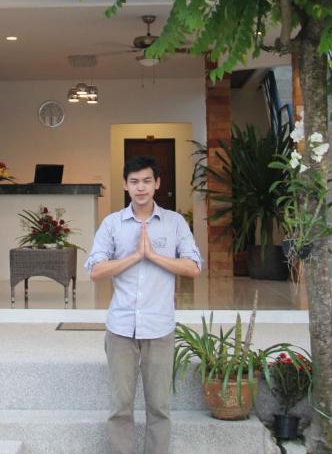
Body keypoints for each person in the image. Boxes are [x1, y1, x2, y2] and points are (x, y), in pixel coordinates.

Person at [85, 156, 203, 454]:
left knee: (159, 408)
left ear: (157, 184)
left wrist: (153, 256)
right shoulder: (112, 224)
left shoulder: (175, 223)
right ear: (125, 185)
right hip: (121, 328)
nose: (141, 188)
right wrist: (135, 257)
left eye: (147, 181)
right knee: (120, 408)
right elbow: (95, 271)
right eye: (134, 182)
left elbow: (193, 267)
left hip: (159, 328)